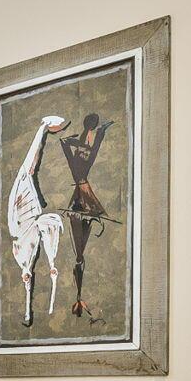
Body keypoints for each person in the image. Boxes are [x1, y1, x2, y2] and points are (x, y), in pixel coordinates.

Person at [57, 112, 120, 319]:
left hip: (81, 184)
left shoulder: (87, 140)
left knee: (80, 239)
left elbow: (92, 144)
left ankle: (79, 291)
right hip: (81, 185)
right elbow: (82, 149)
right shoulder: (82, 141)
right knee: (79, 241)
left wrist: (100, 131)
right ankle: (78, 293)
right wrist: (73, 143)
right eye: (92, 125)